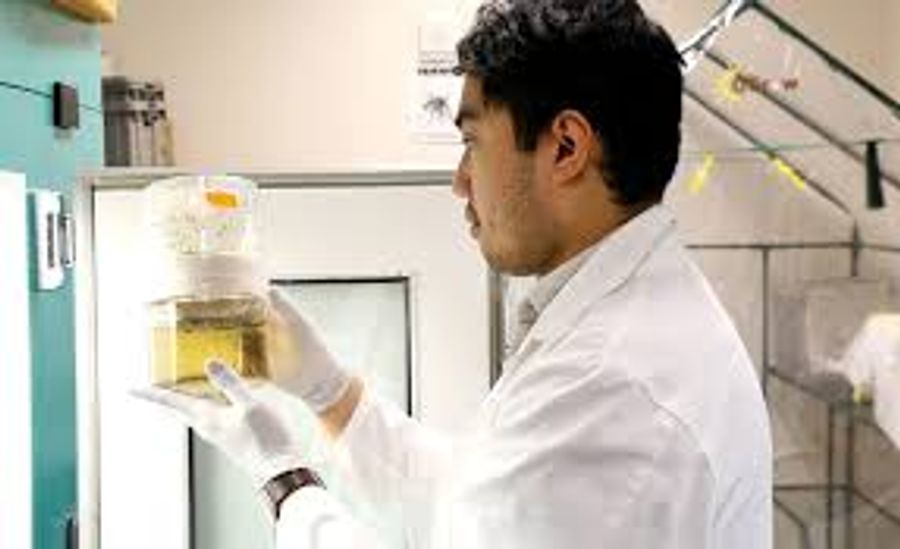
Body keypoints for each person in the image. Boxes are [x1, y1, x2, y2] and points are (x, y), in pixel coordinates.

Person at [137, 0, 773, 547]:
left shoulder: (611, 386)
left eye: (472, 143)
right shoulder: (628, 320)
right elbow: (476, 504)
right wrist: (329, 393)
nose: (460, 181)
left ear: (566, 148)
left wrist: (283, 479)